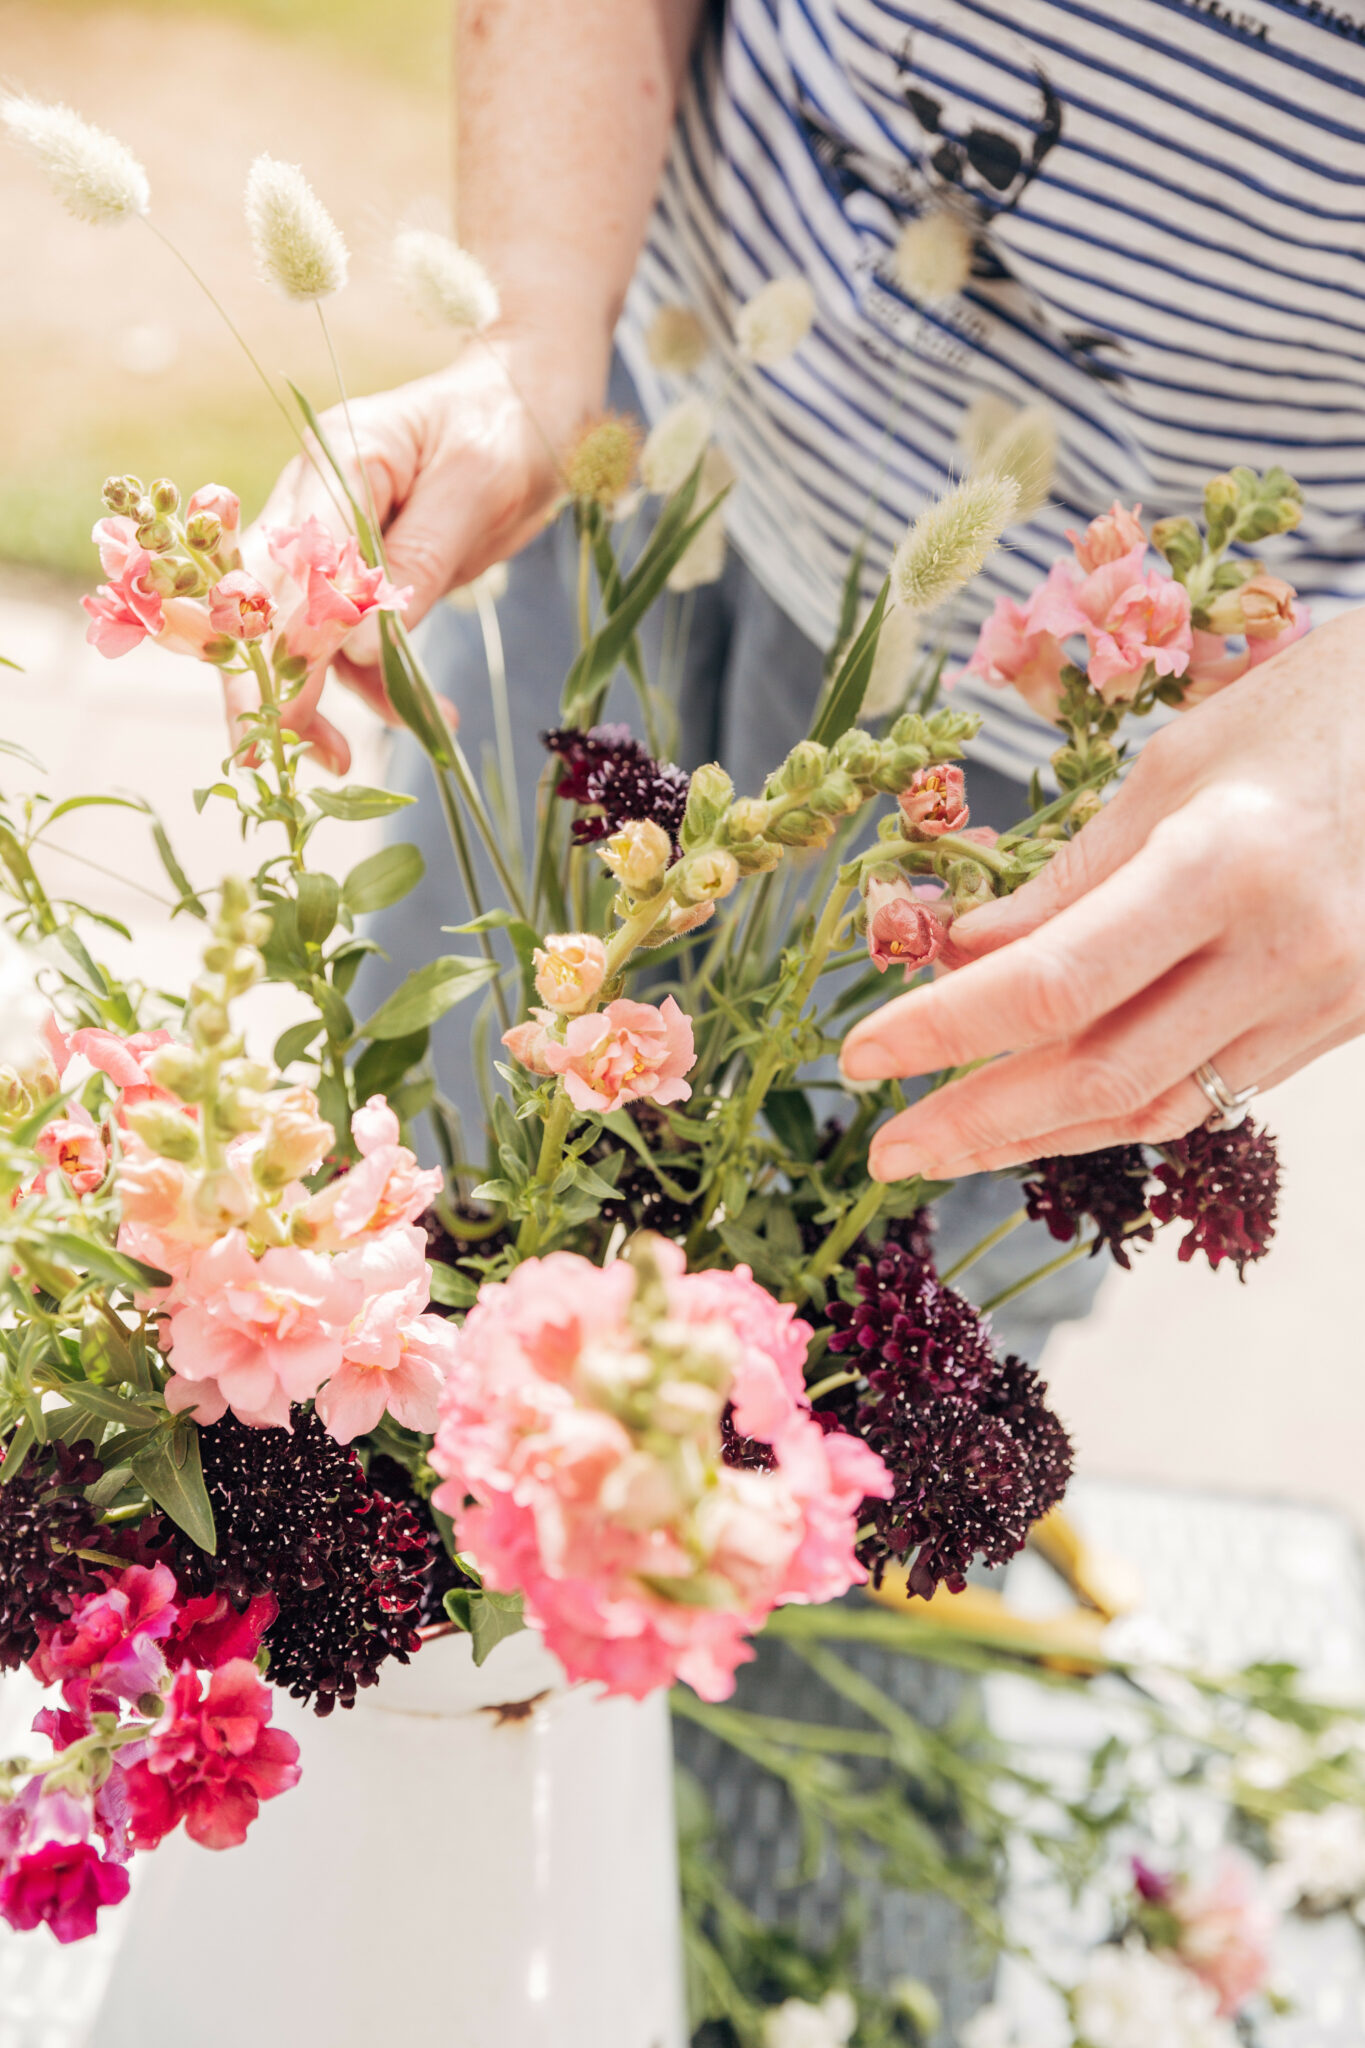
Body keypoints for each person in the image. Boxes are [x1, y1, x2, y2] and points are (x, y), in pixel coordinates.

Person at [251, 0, 1365, 1211]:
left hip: (1103, 767)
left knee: (862, 1247)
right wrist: (532, 333)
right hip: (645, 436)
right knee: (421, 1151)